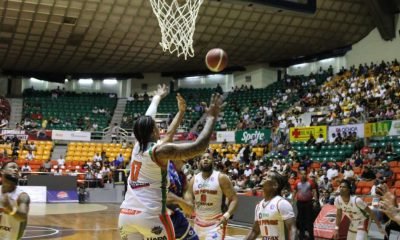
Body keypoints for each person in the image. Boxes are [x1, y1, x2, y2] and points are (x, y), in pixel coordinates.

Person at [119, 85, 224, 240]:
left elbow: (153, 120)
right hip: (150, 216)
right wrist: (211, 118)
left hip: (126, 215)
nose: (159, 129)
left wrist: (158, 98)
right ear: (154, 132)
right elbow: (198, 147)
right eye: (156, 127)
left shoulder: (137, 146)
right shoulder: (158, 151)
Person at [185, 152, 238, 240]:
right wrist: (189, 203)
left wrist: (226, 215)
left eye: (208, 158)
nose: (205, 159)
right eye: (203, 158)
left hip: (216, 224)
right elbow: (188, 193)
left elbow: (234, 199)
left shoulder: (221, 178)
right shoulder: (194, 179)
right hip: (198, 224)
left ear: (213, 162)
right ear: (199, 162)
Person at [245, 171, 296, 240]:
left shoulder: (281, 203)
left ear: (275, 185)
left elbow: (292, 229)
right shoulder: (259, 205)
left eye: (268, 176)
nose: (264, 177)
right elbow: (255, 231)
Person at [0, 161, 31, 239]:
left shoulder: (22, 196)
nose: (16, 170)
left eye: (17, 168)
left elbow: (23, 216)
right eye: (12, 167)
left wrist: (11, 209)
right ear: (2, 171)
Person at [293, 170, 317, 240]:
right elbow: (294, 191)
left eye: (304, 174)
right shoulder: (297, 182)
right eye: (302, 174)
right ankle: (301, 236)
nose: (303, 175)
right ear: (299, 175)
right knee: (301, 220)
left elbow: (314, 191)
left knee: (309, 220)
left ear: (306, 175)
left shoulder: (310, 182)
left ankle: (311, 237)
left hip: (308, 203)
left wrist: (316, 201)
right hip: (300, 203)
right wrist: (292, 200)